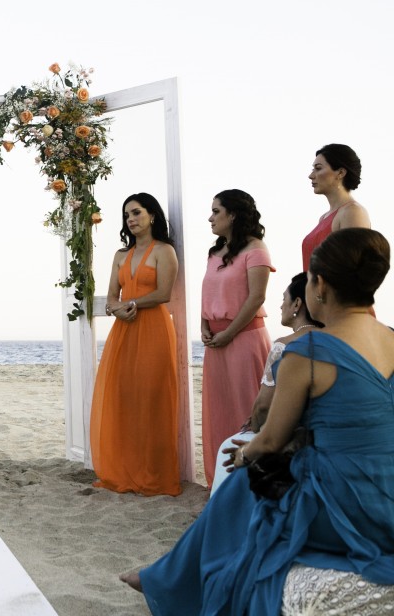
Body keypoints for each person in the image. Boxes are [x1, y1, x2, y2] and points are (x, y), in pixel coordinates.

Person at [123, 228, 394, 614]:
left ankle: (165, 582)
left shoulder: (308, 349)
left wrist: (247, 453)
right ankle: (162, 575)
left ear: (319, 286)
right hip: (388, 496)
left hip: (344, 504)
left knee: (245, 479)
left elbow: (269, 439)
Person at [91, 193, 181, 496]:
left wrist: (129, 303)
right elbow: (110, 298)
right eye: (127, 215)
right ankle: (124, 469)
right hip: (124, 330)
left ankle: (152, 472)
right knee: (124, 397)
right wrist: (118, 308)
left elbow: (163, 294)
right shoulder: (120, 255)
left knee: (150, 398)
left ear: (152, 215)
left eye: (137, 213)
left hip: (153, 328)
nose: (131, 219)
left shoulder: (164, 251)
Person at [209, 272, 322, 496]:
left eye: (283, 300)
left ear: (297, 304)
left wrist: (255, 430)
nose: (280, 306)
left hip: (288, 437)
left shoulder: (284, 346)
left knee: (228, 447)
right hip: (320, 436)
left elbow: (263, 406)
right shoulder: (334, 338)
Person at [200, 189, 274, 487]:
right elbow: (208, 292)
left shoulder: (256, 248)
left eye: (216, 211)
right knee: (218, 411)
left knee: (246, 408)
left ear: (233, 214)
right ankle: (218, 480)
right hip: (215, 343)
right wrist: (204, 325)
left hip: (244, 339)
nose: (211, 217)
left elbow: (256, 297)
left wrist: (229, 333)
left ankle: (248, 481)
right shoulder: (214, 252)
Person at [301, 143, 370, 270]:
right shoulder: (323, 218)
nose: (311, 175)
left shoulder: (353, 212)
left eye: (318, 168)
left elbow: (354, 270)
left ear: (341, 173)